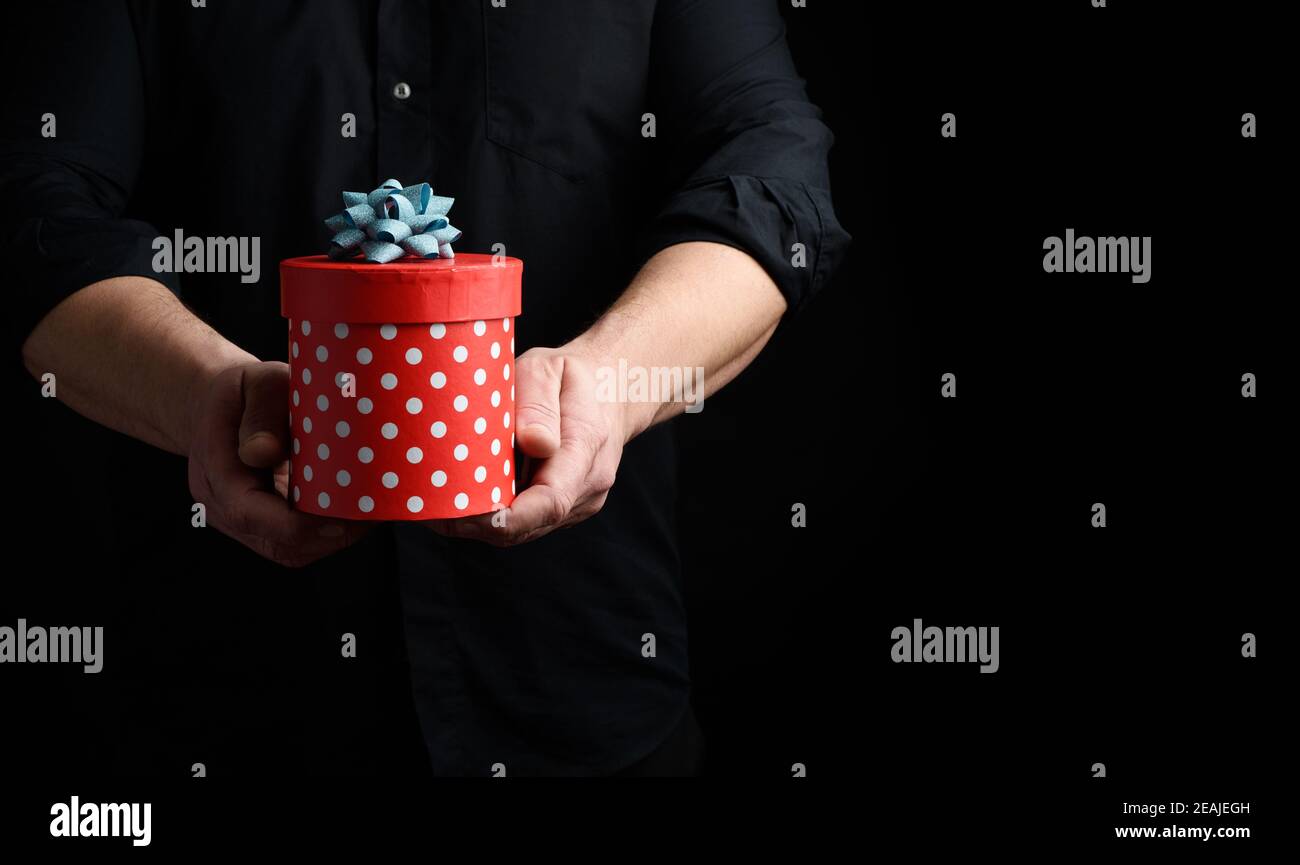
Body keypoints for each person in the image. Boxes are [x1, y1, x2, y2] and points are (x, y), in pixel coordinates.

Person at [2, 0, 849, 777]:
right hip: (232, 702)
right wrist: (202, 393)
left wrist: (613, 383)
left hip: (586, 687)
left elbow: (774, 170)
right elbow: (33, 205)